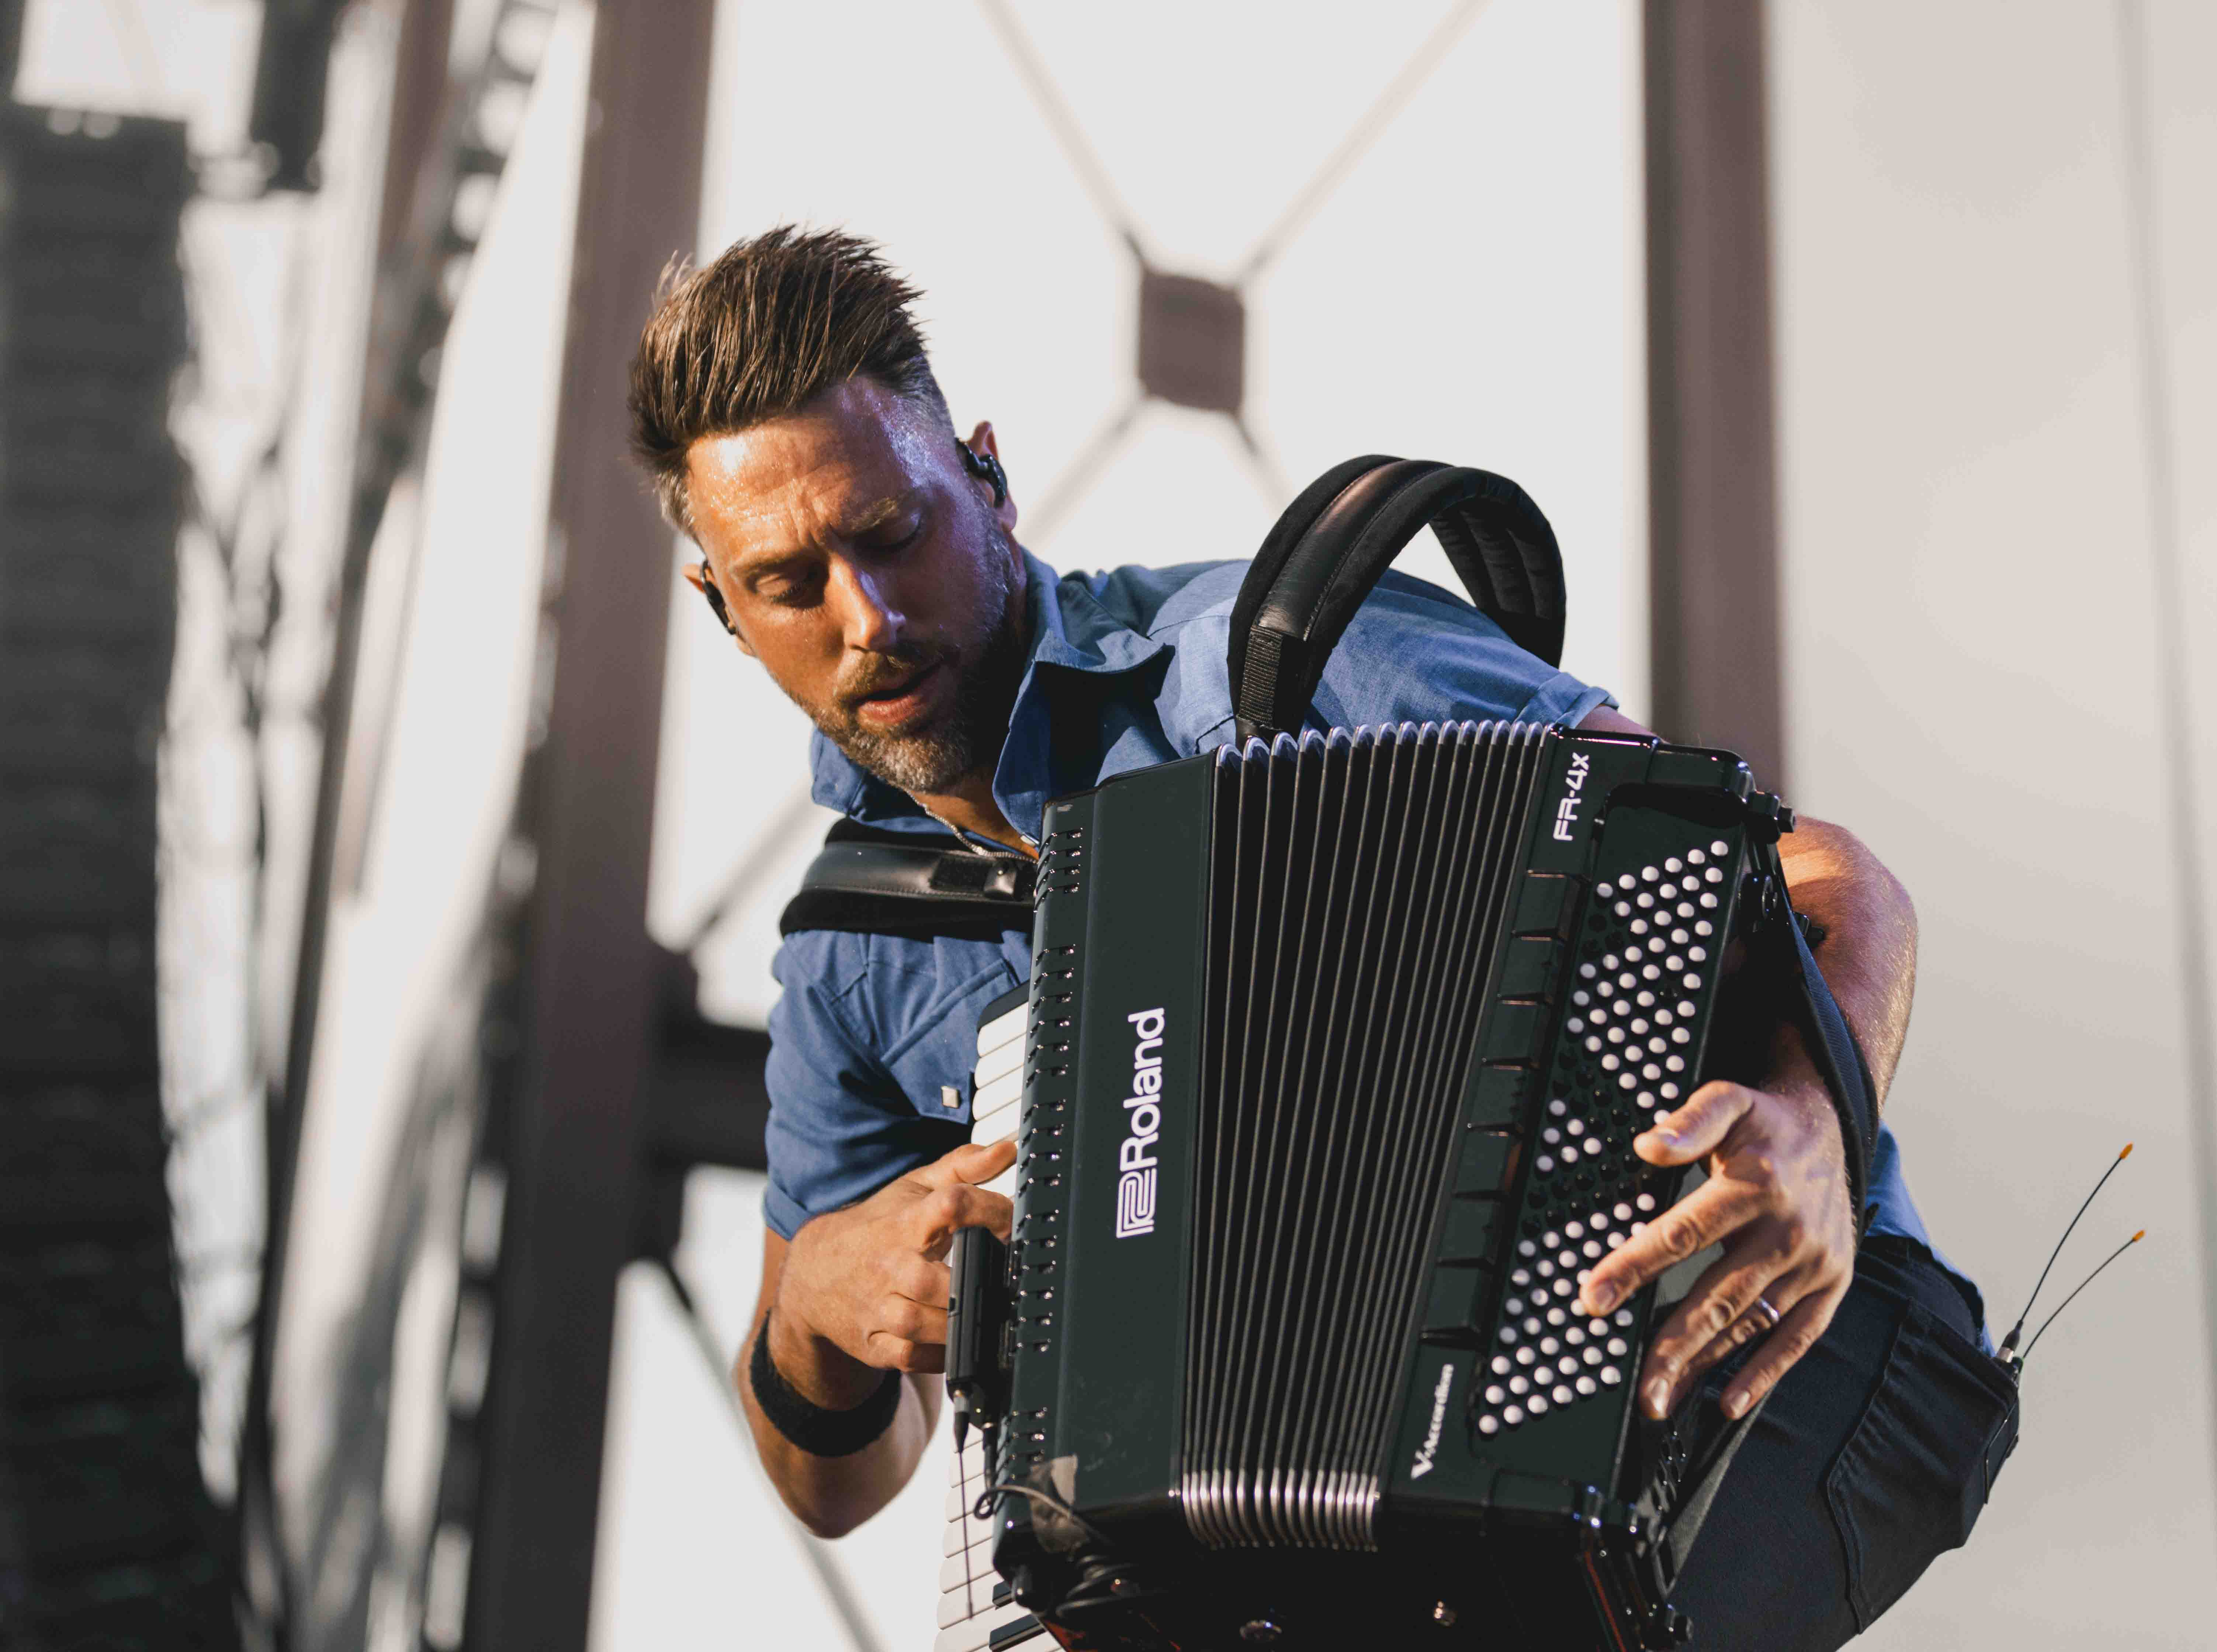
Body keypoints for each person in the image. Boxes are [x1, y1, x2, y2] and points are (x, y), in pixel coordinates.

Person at [626, 228, 2015, 1649]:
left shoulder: (1283, 656)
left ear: (984, 476)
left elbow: (1811, 873)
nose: (867, 617)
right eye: (789, 582)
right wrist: (816, 1308)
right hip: (1334, 1555)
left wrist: (1813, 1122)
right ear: (722, 606)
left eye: (892, 531)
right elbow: (835, 1485)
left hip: (1772, 1344)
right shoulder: (854, 954)